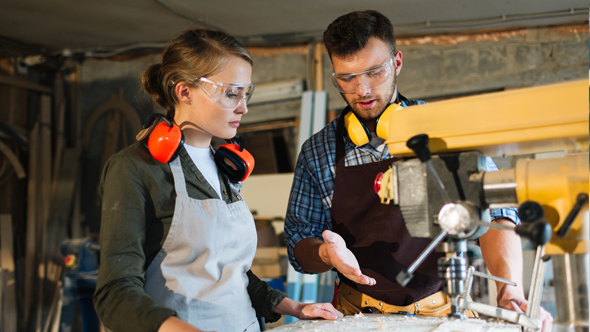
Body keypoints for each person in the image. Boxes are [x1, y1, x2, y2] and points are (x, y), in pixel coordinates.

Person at [284, 10, 553, 332]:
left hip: (444, 312)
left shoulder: (445, 131)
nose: (363, 90)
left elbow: (495, 213)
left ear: (396, 62)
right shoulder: (318, 151)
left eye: (374, 72)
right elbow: (300, 241)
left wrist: (508, 289)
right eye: (347, 78)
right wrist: (326, 253)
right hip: (357, 317)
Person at [93, 28, 343, 332]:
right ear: (184, 92)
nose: (243, 107)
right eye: (230, 93)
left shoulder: (224, 167)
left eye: (245, 93)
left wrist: (295, 308)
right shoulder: (135, 168)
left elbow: (227, 272)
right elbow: (115, 293)